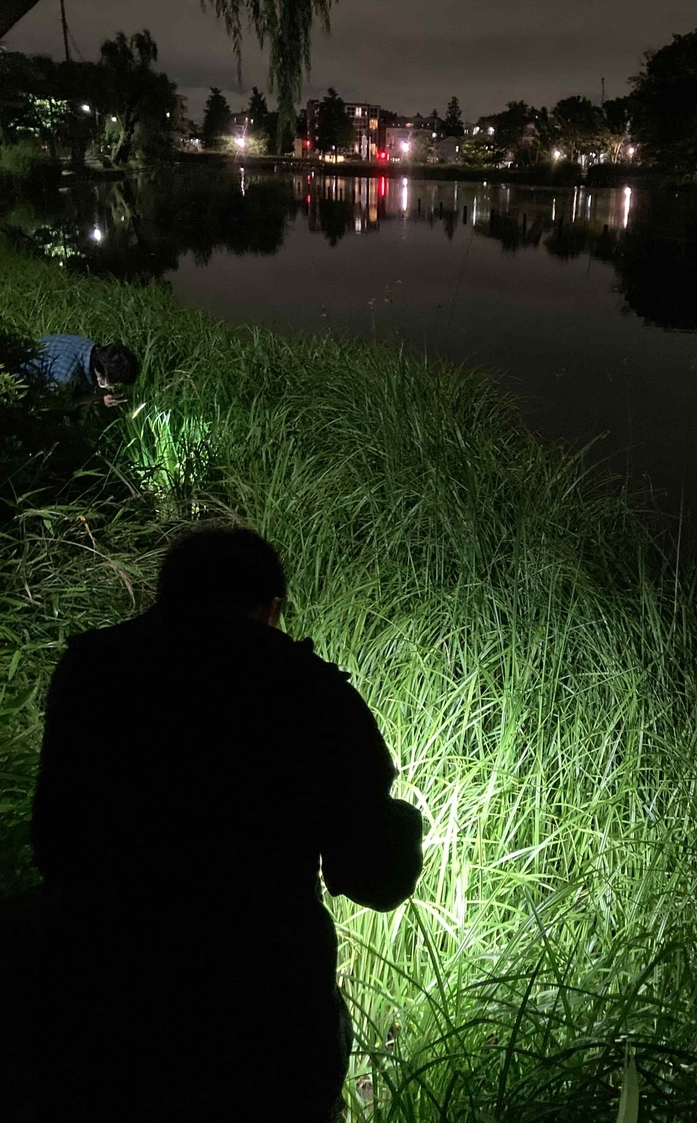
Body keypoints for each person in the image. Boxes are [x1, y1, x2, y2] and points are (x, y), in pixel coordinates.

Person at [31, 526, 423, 1121]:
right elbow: (375, 875)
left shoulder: (89, 671)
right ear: (269, 609)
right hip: (262, 1002)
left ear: (164, 596)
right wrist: (401, 818)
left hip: (103, 993)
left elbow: (53, 842)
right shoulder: (306, 685)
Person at [23, 333, 139, 407]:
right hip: (21, 384)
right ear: (102, 378)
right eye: (114, 384)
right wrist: (96, 398)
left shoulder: (90, 349)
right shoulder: (66, 377)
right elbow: (55, 405)